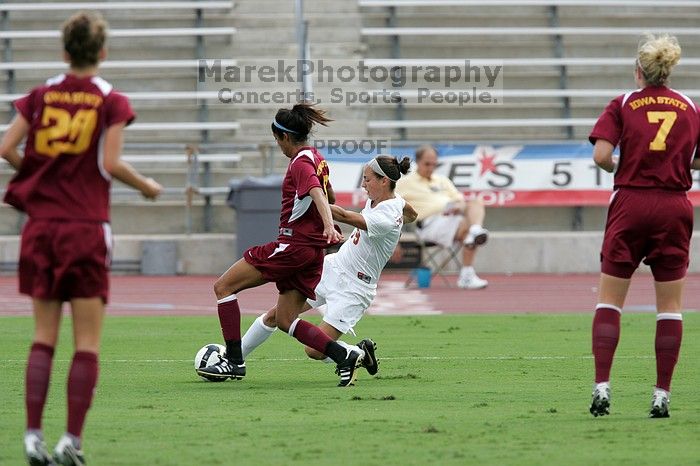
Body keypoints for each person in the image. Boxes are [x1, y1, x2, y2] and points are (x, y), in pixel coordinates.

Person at [0, 11, 163, 466]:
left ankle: (32, 437)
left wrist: (40, 177)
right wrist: (147, 185)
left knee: (42, 336)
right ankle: (70, 441)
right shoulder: (109, 100)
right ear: (103, 52)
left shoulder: (40, 95)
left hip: (41, 228)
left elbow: (6, 147)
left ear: (64, 51)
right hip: (85, 228)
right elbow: (109, 164)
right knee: (86, 342)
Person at [196, 103, 367, 388]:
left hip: (293, 246)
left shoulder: (300, 162)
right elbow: (328, 195)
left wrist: (326, 224)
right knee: (286, 320)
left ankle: (235, 362)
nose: (278, 146)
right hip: (312, 253)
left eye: (277, 140)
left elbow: (316, 192)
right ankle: (343, 357)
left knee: (223, 287)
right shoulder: (316, 157)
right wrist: (327, 220)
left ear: (285, 137)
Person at [588, 34, 700, 419]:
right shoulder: (689, 107)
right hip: (674, 205)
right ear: (668, 71)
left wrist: (627, 164)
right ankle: (661, 395)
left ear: (639, 71)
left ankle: (602, 387)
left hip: (630, 202)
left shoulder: (623, 103)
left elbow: (602, 155)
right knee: (669, 307)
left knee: (609, 301)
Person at [238, 155, 418, 378]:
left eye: (367, 179)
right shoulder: (392, 201)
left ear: (383, 181)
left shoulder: (386, 217)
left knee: (314, 350)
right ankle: (234, 358)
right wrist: (405, 220)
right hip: (332, 268)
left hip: (355, 288)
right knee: (276, 315)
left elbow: (343, 215)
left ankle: (357, 353)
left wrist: (309, 197)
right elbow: (412, 212)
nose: (363, 184)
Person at [395, 145, 489, 289]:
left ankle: (475, 232)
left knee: (476, 202)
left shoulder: (442, 180)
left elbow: (461, 201)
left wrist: (459, 207)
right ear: (418, 161)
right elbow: (391, 207)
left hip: (451, 218)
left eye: (434, 164)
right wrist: (395, 239)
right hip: (427, 225)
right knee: (467, 226)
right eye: (427, 164)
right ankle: (468, 270)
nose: (431, 168)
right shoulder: (405, 182)